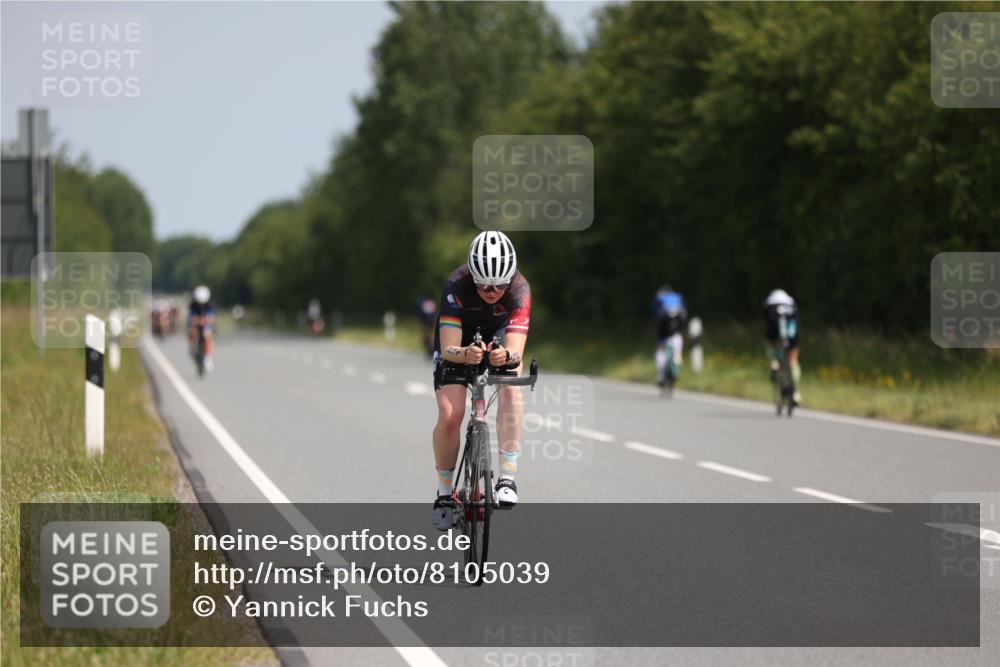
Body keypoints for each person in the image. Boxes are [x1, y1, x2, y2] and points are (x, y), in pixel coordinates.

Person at [431, 231, 530, 530]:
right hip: (460, 339)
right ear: (471, 274)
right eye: (484, 283)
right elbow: (449, 348)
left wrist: (505, 357)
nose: (491, 289)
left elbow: (515, 350)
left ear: (509, 278)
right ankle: (445, 494)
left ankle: (507, 478)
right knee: (451, 414)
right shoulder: (456, 285)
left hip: (500, 333)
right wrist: (465, 353)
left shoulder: (520, 289)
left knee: (511, 391)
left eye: (499, 284)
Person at [763, 288, 801, 405]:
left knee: (771, 343)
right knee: (793, 358)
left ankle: (774, 362)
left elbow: (767, 322)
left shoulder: (770, 304)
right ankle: (795, 393)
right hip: (791, 325)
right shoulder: (791, 304)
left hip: (774, 322)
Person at [652, 285, 687, 388]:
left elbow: (654, 311)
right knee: (678, 338)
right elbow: (685, 307)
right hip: (679, 319)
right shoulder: (678, 296)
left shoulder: (659, 297)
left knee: (660, 346)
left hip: (664, 320)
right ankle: (677, 359)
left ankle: (661, 375)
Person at [188, 285, 216, 372]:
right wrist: (194, 322)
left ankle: (208, 358)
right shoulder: (193, 305)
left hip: (206, 324)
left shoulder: (210, 305)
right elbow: (191, 317)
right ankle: (192, 347)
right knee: (191, 332)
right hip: (195, 323)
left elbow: (211, 318)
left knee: (207, 335)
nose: (201, 304)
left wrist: (205, 321)